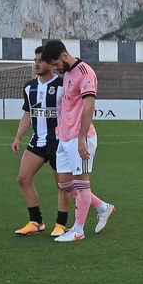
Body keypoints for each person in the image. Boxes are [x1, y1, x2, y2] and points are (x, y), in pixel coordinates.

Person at [41, 40, 115, 243]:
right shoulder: (67, 73)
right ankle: (102, 207)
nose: (55, 69)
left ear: (64, 56)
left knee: (82, 184)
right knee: (65, 184)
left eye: (56, 64)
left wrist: (82, 137)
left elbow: (89, 107)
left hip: (80, 137)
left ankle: (78, 230)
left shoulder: (85, 72)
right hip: (65, 136)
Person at [11, 48, 70, 237]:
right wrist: (18, 137)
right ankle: (36, 222)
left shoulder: (63, 85)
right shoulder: (30, 87)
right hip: (38, 141)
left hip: (59, 143)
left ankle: (61, 224)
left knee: (62, 185)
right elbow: (28, 114)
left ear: (51, 63)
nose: (36, 64)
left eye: (41, 60)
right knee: (23, 178)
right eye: (35, 60)